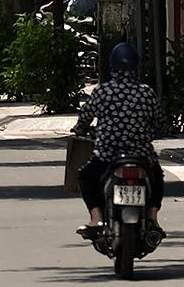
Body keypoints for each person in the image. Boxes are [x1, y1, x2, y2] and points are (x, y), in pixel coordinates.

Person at [74, 43, 165, 240]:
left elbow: (85, 117)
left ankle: (96, 218)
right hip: (141, 155)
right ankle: (152, 219)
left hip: (108, 155)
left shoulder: (102, 91)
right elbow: (160, 122)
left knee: (86, 177)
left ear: (112, 66)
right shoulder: (146, 92)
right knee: (157, 177)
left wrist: (80, 129)